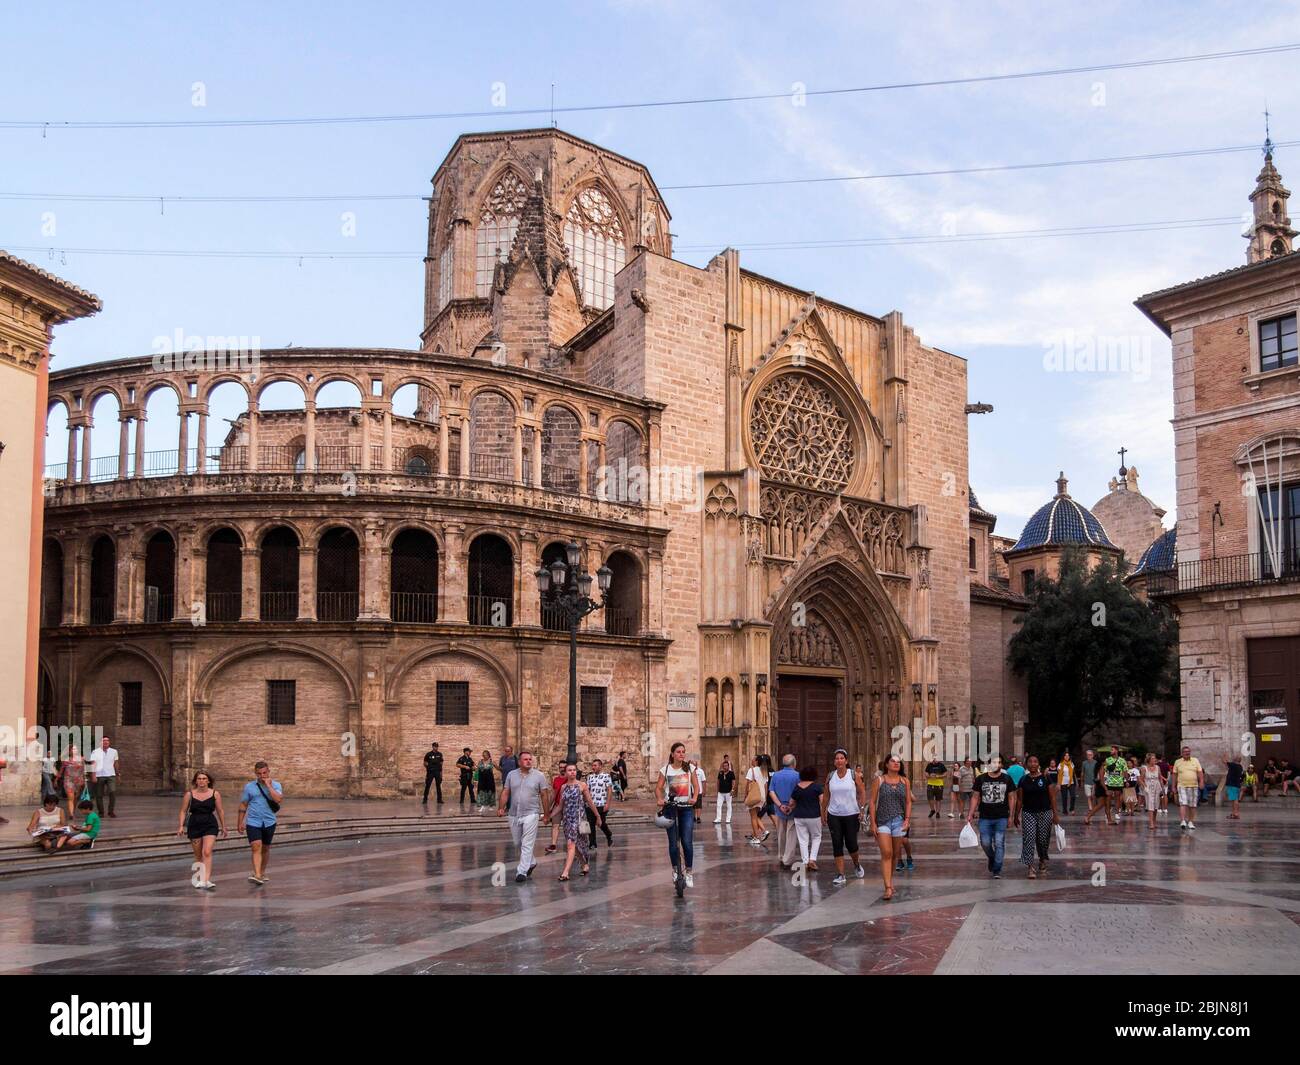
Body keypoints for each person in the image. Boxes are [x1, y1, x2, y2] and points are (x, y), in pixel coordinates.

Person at [497, 750, 550, 883]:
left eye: (530, 759)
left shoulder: (539, 776)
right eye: (525, 759)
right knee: (518, 842)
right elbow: (506, 791)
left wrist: (546, 814)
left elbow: (544, 795)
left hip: (531, 813)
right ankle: (531, 862)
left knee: (527, 842)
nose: (528, 761)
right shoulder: (511, 775)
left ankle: (521, 871)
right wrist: (501, 807)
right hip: (514, 814)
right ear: (519, 762)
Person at [656, 741, 699, 893]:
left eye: (683, 752)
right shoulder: (665, 769)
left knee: (687, 842)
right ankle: (675, 869)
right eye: (679, 752)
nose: (682, 754)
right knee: (673, 843)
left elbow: (696, 785)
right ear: (673, 754)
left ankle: (689, 871)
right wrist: (660, 799)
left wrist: (694, 797)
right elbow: (659, 788)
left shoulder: (690, 768)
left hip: (686, 808)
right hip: (670, 808)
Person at [869, 755, 911, 900]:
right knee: (887, 852)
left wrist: (907, 819)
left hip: (899, 821)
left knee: (894, 854)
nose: (896, 763)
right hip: (882, 821)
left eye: (898, 762)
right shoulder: (879, 780)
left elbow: (908, 802)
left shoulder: (905, 781)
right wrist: (873, 823)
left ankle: (890, 880)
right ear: (886, 764)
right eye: (893, 761)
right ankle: (887, 887)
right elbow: (873, 802)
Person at [822, 749, 867, 884]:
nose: (839, 760)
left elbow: (862, 791)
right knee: (837, 844)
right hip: (834, 814)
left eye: (842, 758)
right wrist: (822, 812)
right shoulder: (830, 776)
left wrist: (862, 809)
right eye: (837, 758)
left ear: (846, 761)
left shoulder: (853, 775)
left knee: (851, 844)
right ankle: (840, 874)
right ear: (834, 761)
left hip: (851, 814)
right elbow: (826, 796)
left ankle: (856, 863)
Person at [177, 770, 227, 889]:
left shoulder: (215, 794)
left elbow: (220, 811)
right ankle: (199, 878)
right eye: (199, 779)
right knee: (198, 855)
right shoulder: (189, 794)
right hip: (194, 824)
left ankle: (206, 880)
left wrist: (223, 826)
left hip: (210, 824)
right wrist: (180, 826)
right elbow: (183, 811)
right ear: (196, 781)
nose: (202, 781)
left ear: (208, 781)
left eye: (204, 778)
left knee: (207, 851)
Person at [967, 756, 1015, 879]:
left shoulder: (1007, 779)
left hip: (1001, 816)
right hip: (985, 817)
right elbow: (975, 797)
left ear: (1002, 765)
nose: (996, 764)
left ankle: (996, 869)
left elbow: (1011, 797)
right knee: (985, 842)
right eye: (993, 762)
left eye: (998, 762)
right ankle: (992, 858)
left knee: (999, 842)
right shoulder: (981, 779)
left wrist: (1011, 816)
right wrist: (970, 813)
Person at [550, 763, 599, 881]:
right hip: (567, 820)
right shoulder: (563, 788)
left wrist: (598, 816)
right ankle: (584, 865)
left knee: (571, 845)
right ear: (566, 773)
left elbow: (590, 802)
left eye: (574, 770)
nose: (572, 772)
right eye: (569, 770)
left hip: (578, 819)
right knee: (574, 846)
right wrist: (549, 816)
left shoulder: (582, 785)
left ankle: (565, 872)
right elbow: (560, 805)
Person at [237, 761, 283, 884]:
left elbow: (278, 799)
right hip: (253, 821)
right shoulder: (249, 787)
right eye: (259, 773)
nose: (262, 776)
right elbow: (243, 804)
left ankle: (262, 872)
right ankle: (257, 874)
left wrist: (269, 786)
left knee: (266, 848)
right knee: (256, 845)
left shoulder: (276, 785)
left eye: (264, 773)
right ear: (255, 773)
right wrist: (240, 822)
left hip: (269, 821)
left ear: (268, 772)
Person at [1018, 756, 1058, 878]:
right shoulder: (1023, 780)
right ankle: (1030, 867)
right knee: (1029, 839)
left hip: (1045, 812)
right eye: (1030, 762)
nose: (1033, 764)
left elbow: (1052, 797)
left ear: (1038, 764)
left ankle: (1042, 859)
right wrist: (1015, 815)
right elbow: (1020, 800)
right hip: (1028, 813)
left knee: (1042, 839)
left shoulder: (1046, 778)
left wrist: (1055, 814)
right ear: (1026, 765)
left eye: (1035, 761)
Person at [788, 766, 824, 872]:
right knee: (816, 837)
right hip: (814, 816)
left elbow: (791, 802)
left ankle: (804, 862)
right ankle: (812, 860)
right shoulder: (817, 787)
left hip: (799, 816)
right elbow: (822, 802)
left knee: (803, 840)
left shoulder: (797, 787)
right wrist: (824, 814)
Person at [769, 754, 801, 868]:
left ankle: (781, 856)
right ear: (794, 763)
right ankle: (787, 859)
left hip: (779, 809)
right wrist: (791, 806)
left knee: (781, 833)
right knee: (791, 833)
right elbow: (799, 792)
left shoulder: (776, 775)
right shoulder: (798, 776)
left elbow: (771, 791)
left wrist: (780, 805)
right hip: (793, 809)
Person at [1172, 745, 1204, 830]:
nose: (1187, 753)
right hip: (1182, 785)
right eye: (1185, 752)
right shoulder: (1177, 762)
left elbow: (1200, 772)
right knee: (1183, 803)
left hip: (1193, 785)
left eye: (1188, 752)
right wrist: (1173, 786)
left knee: (1192, 805)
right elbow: (1174, 775)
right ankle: (1183, 820)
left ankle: (1190, 821)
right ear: (1182, 753)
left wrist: (1201, 781)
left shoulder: (1195, 760)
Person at [87, 735, 120, 819]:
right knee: (99, 794)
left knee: (112, 792)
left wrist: (118, 774)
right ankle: (101, 812)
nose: (105, 742)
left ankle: (111, 811)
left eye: (107, 740)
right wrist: (93, 776)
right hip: (99, 775)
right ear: (100, 742)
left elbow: (116, 763)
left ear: (109, 742)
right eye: (103, 740)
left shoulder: (114, 751)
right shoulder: (95, 752)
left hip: (110, 774)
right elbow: (93, 764)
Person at [585, 759, 615, 849]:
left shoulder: (606, 776)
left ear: (600, 766)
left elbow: (609, 790)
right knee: (591, 823)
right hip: (591, 805)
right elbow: (587, 790)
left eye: (595, 765)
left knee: (601, 823)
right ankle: (592, 843)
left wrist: (607, 804)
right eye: (592, 765)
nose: (593, 767)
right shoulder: (590, 777)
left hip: (601, 804)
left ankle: (608, 834)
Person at [743, 755, 770, 845]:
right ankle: (763, 832)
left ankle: (757, 837)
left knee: (753, 817)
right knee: (756, 816)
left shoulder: (752, 770)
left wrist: (746, 795)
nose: (751, 761)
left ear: (756, 761)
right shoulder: (764, 771)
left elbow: (748, 784)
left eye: (753, 759)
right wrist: (765, 798)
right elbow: (766, 786)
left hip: (754, 796)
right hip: (761, 796)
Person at [58, 744, 86, 819]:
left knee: (76, 798)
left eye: (75, 749)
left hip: (78, 781)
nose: (74, 751)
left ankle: (73, 811)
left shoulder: (82, 759)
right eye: (72, 749)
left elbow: (84, 770)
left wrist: (84, 780)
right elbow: (61, 771)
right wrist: (56, 779)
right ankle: (71, 814)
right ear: (69, 751)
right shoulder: (66, 760)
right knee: (70, 797)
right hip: (68, 780)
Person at [546, 760, 567, 854]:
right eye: (560, 767)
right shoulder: (556, 780)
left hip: (568, 807)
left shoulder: (570, 779)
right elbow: (554, 794)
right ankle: (553, 845)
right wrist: (548, 808)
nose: (562, 769)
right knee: (555, 825)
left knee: (568, 827)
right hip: (557, 805)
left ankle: (571, 844)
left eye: (564, 767)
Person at [1139, 754, 1165, 830]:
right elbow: (1140, 779)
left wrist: (1162, 789)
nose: (1154, 760)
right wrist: (1145, 787)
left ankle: (1154, 821)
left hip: (1157, 786)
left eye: (1155, 759)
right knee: (1150, 804)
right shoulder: (1144, 768)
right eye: (1153, 759)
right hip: (1149, 787)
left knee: (1156, 804)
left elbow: (1160, 778)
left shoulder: (1158, 767)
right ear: (1149, 760)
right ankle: (1151, 823)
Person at [714, 756, 736, 824]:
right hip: (721, 792)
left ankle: (728, 819)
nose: (725, 767)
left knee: (729, 806)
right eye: (724, 766)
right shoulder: (720, 773)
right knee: (718, 805)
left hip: (728, 792)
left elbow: (733, 782)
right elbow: (718, 781)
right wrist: (717, 791)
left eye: (726, 766)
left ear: (728, 766)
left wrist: (732, 790)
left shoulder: (731, 773)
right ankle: (718, 818)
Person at [1080, 749, 1098, 818]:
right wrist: (1081, 781)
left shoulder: (1095, 762)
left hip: (1094, 782)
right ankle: (1090, 809)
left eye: (1090, 755)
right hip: (1086, 782)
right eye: (1087, 755)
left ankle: (1093, 808)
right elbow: (1082, 772)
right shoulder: (1084, 763)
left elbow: (1097, 772)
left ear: (1093, 755)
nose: (1089, 756)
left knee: (1093, 796)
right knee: (1088, 796)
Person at [692, 760, 707, 824]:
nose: (693, 766)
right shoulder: (689, 771)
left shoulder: (700, 771)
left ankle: (698, 817)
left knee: (699, 805)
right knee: (692, 806)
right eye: (692, 765)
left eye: (694, 765)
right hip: (691, 791)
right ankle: (693, 817)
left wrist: (704, 790)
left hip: (699, 791)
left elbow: (703, 781)